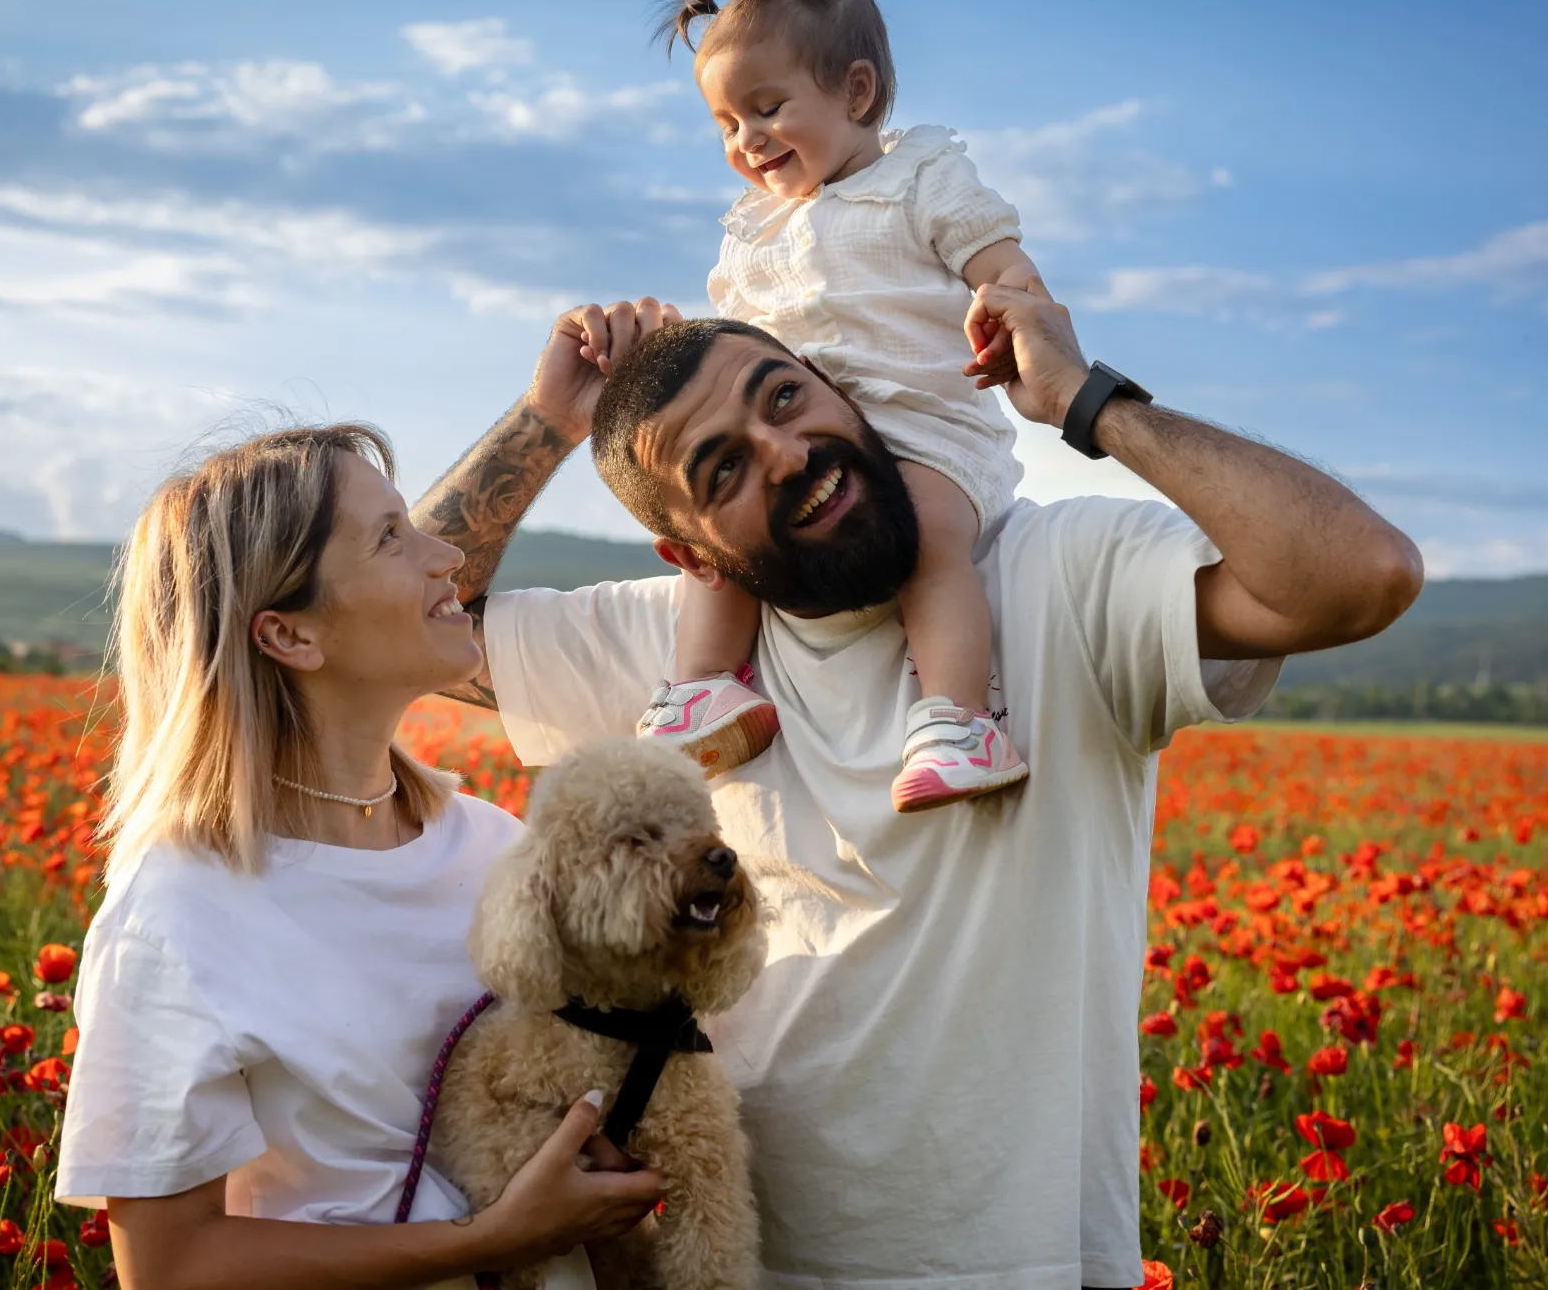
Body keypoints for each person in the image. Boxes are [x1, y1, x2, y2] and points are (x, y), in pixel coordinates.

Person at [418, 293, 1422, 1289]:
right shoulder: (674, 657)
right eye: (722, 467)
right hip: (747, 1257)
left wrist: (1086, 400)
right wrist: (544, 421)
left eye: (782, 399)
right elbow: (405, 619)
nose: (785, 453)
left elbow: (1360, 573)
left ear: (839, 393)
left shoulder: (1054, 574)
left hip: (1026, 1260)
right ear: (690, 558)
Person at [53, 424, 664, 1289]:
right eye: (390, 537)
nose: (448, 553)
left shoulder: (494, 845)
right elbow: (171, 1265)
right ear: (291, 637)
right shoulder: (178, 909)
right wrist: (490, 1240)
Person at [607, 0, 1043, 812]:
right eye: (727, 124)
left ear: (856, 92)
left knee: (927, 539)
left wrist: (1010, 315)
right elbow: (728, 345)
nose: (746, 139)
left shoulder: (923, 176)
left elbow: (1003, 266)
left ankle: (959, 717)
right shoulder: (752, 230)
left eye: (766, 109)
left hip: (928, 426)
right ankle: (702, 688)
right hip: (803, 432)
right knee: (724, 548)